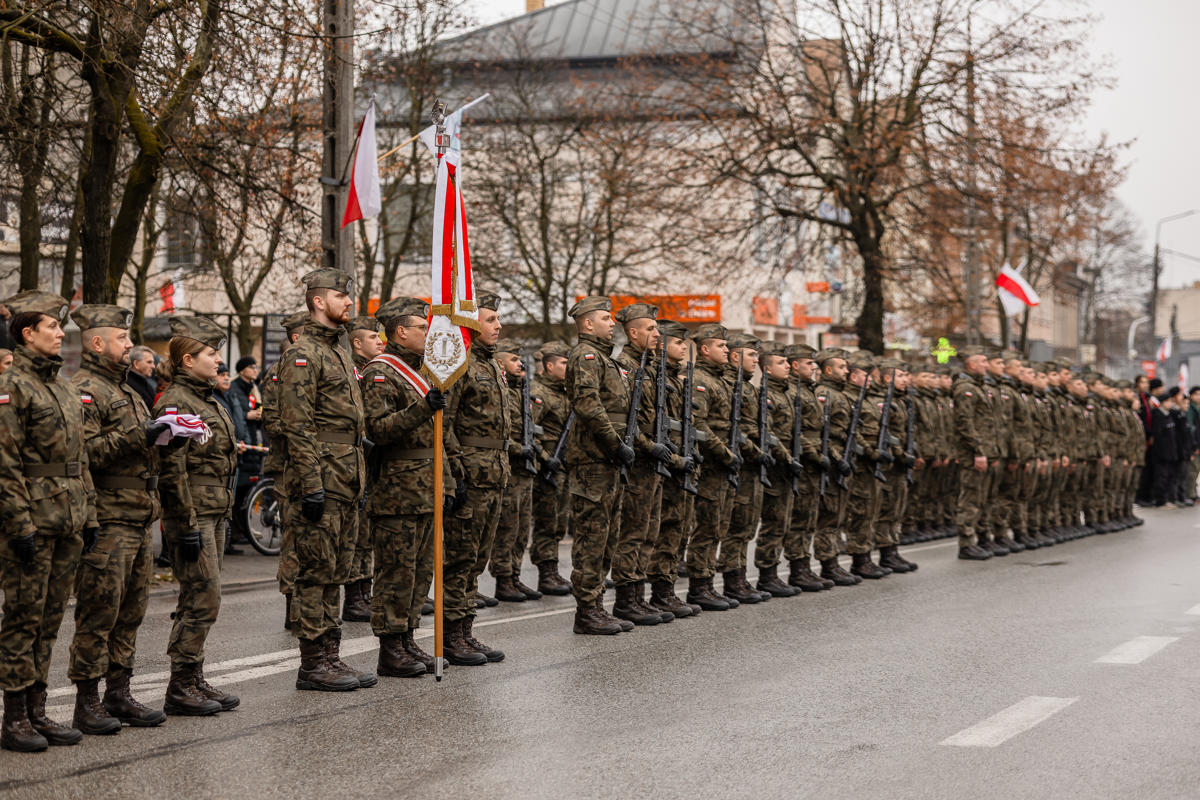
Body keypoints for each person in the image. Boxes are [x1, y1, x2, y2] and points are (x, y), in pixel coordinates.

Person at [0, 291, 98, 753]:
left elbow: (78, 460)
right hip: (34, 521)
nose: (61, 333)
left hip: (69, 519)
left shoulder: (61, 384)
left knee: (50, 619)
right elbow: (5, 464)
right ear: (26, 333)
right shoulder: (12, 385)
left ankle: (38, 709)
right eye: (53, 327)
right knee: (23, 618)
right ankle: (15, 715)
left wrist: (91, 513)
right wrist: (19, 524)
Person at [68, 305, 170, 735]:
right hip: (108, 520)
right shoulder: (84, 390)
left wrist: (166, 437)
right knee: (99, 613)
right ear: (96, 343)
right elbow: (84, 455)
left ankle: (118, 691)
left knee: (130, 612)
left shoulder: (127, 391)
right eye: (122, 339)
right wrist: (140, 435)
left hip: (137, 516)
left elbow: (135, 446)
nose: (130, 345)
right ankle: (86, 700)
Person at [276, 270, 375, 691]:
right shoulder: (304, 355)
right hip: (323, 475)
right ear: (318, 302)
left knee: (337, 570)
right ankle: (312, 663)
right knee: (315, 572)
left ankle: (332, 656)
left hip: (347, 474)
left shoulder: (340, 353)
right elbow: (296, 426)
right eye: (340, 296)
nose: (348, 302)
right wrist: (310, 482)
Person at [154, 315, 239, 716]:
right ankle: (180, 684)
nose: (218, 359)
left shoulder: (205, 399)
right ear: (187, 360)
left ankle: (194, 675)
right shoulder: (176, 401)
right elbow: (172, 470)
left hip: (214, 510)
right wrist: (184, 523)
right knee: (204, 598)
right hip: (193, 514)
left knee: (200, 598)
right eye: (211, 353)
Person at [361, 297, 449, 677]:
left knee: (418, 572)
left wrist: (449, 481)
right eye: (421, 328)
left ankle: (407, 638)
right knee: (395, 572)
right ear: (400, 331)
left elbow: (438, 436)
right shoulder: (381, 373)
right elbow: (378, 431)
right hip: (397, 491)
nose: (428, 334)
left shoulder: (424, 373)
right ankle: (389, 647)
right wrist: (422, 407)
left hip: (427, 487)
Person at [442, 292, 510, 661]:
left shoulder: (491, 364)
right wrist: (456, 470)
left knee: (478, 559)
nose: (497, 326)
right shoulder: (459, 362)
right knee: (460, 558)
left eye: (498, 319)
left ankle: (465, 631)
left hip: (494, 474)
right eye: (490, 319)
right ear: (469, 323)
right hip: (471, 473)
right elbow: (445, 424)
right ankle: (451, 636)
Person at [563, 296, 634, 635]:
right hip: (594, 459)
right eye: (606, 318)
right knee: (592, 538)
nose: (612, 324)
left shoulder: (606, 360)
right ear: (588, 324)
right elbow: (589, 406)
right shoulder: (585, 357)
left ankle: (597, 606)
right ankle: (586, 611)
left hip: (607, 459)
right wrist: (615, 443)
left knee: (607, 537)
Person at [611, 303, 675, 624]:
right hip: (638, 460)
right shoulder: (623, 365)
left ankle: (639, 595)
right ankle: (625, 598)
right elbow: (627, 421)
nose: (657, 334)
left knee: (650, 530)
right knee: (633, 531)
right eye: (650, 329)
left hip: (653, 460)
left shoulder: (650, 366)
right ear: (633, 332)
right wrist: (651, 447)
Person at [684, 324, 746, 609]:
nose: (727, 351)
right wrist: (724, 453)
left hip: (724, 462)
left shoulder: (720, 379)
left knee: (718, 526)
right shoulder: (699, 379)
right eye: (721, 346)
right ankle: (699, 586)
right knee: (706, 527)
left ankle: (708, 584)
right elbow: (699, 425)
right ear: (705, 349)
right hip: (711, 462)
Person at [261, 311, 308, 628]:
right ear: (296, 337)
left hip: (314, 464)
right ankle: (294, 606)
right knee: (293, 540)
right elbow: (276, 423)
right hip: (290, 466)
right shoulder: (280, 373)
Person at [488, 339, 543, 604]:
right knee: (507, 528)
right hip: (509, 468)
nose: (520, 363)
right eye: (514, 359)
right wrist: (520, 449)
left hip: (525, 471)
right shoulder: (501, 391)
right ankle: (503, 578)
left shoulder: (522, 392)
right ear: (500, 363)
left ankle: (515, 574)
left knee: (522, 528)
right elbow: (495, 433)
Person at [344, 316, 385, 621]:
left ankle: (364, 593)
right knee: (357, 534)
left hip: (368, 461)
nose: (380, 341)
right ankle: (355, 597)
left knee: (366, 533)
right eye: (373, 337)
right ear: (357, 342)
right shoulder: (354, 371)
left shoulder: (367, 370)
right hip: (356, 460)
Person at [529, 342, 573, 596]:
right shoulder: (539, 393)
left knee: (559, 522)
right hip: (548, 467)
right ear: (549, 365)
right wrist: (546, 458)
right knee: (547, 522)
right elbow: (528, 432)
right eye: (563, 363)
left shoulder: (565, 393)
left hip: (564, 466)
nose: (567, 368)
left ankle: (553, 571)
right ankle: (546, 574)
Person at [228, 356, 265, 548]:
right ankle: (234, 531)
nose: (255, 369)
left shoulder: (254, 388)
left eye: (256, 366)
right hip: (244, 445)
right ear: (242, 370)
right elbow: (234, 413)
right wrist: (247, 415)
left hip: (254, 444)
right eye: (252, 366)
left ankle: (242, 530)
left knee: (247, 493)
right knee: (239, 491)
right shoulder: (235, 389)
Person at [126, 346, 158, 412]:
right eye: (149, 362)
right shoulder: (129, 386)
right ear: (136, 364)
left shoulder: (144, 383)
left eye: (153, 362)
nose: (153, 366)